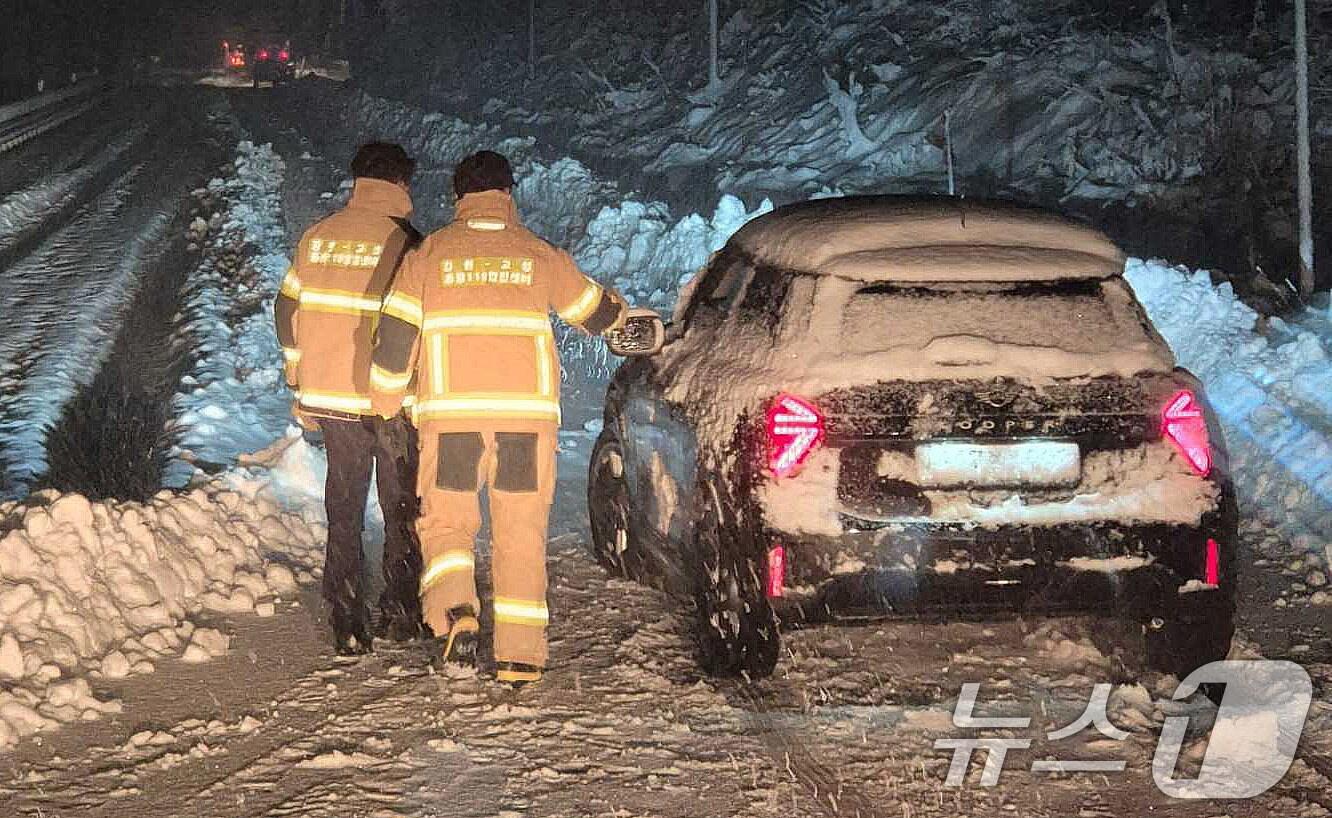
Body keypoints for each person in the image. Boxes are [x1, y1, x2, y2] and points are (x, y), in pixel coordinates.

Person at [368, 150, 628, 686]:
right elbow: (593, 310)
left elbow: (395, 337)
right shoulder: (538, 254)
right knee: (520, 531)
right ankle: (520, 656)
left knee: (448, 523)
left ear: (458, 197)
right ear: (508, 194)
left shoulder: (430, 254)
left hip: (453, 422)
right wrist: (626, 318)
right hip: (524, 425)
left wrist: (386, 399)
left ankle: (456, 613)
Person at [274, 142, 427, 655]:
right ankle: (401, 611)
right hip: (391, 402)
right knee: (401, 506)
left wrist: (297, 370)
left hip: (332, 398)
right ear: (401, 184)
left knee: (344, 505)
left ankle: (346, 618)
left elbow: (285, 307)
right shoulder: (408, 244)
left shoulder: (318, 236)